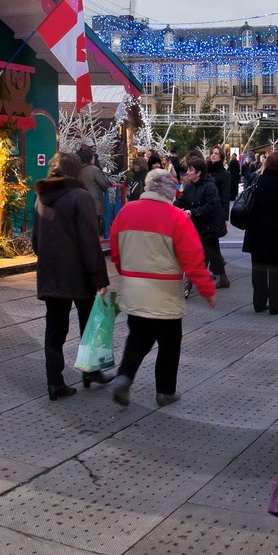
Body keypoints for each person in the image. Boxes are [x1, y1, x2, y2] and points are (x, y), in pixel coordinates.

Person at [109, 169, 216, 406]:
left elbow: (116, 250)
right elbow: (193, 259)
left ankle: (124, 377)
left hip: (134, 289)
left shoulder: (126, 212)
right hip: (165, 293)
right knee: (169, 344)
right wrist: (207, 289)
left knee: (137, 338)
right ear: (170, 191)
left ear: (147, 187)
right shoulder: (177, 217)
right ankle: (165, 391)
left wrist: (125, 271)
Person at [32, 152, 112, 399]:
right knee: (92, 323)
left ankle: (54, 382)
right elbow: (89, 241)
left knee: (55, 329)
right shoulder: (80, 196)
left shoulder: (41, 198)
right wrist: (99, 279)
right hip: (79, 275)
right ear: (75, 172)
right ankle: (91, 371)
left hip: (51, 274)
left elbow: (36, 241)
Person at [243, 151, 278, 314]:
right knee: (276, 269)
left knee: (258, 268)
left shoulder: (257, 180)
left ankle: (258, 302)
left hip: (256, 231)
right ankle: (275, 303)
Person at [177, 152, 229, 289]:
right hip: (199, 225)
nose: (187, 172)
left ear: (198, 173)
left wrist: (192, 212)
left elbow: (210, 206)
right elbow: (181, 201)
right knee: (214, 252)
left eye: (190, 170)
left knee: (201, 255)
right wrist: (167, 207)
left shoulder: (210, 187)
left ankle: (189, 284)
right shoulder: (189, 187)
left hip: (209, 225)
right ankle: (223, 278)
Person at [75, 146, 112, 235]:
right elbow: (104, 184)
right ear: (91, 158)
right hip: (94, 202)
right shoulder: (94, 170)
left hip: (80, 201)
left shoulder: (77, 170)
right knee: (94, 227)